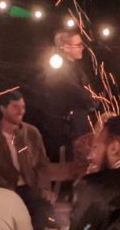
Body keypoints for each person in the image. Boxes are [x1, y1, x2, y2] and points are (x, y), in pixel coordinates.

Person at [0, 89, 53, 230]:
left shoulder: (31, 133)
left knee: (48, 221)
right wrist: (6, 190)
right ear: (3, 109)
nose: (21, 111)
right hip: (3, 190)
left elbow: (42, 163)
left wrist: (44, 187)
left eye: (23, 107)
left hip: (30, 188)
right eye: (15, 107)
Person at [39, 30, 98, 161]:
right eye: (78, 45)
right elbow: (75, 93)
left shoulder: (78, 68)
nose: (82, 47)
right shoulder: (58, 70)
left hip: (79, 123)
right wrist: (91, 101)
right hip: (67, 128)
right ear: (66, 47)